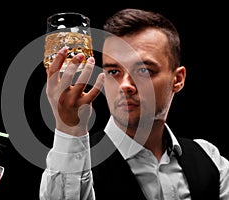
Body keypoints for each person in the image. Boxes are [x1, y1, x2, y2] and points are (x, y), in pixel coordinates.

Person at [39, 8, 229, 200]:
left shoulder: (210, 159)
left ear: (178, 79)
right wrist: (69, 128)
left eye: (144, 70)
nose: (125, 85)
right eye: (114, 72)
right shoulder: (75, 163)